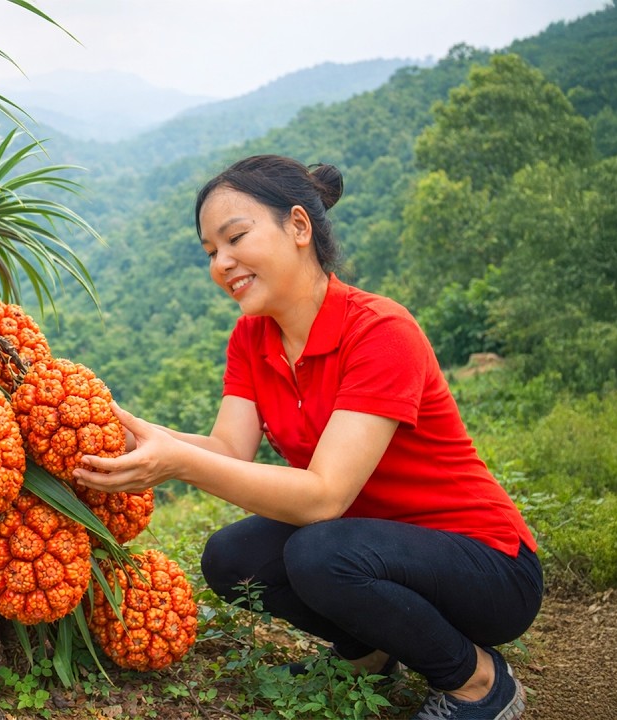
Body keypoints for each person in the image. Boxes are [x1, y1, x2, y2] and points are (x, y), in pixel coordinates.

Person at [73, 155, 543, 720]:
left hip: (485, 566)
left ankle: (478, 682)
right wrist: (136, 433)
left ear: (299, 226)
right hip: (370, 544)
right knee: (231, 558)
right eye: (210, 252)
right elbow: (227, 450)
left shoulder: (380, 331)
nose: (222, 263)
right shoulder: (252, 338)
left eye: (235, 238)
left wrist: (177, 463)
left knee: (317, 552)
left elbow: (324, 498)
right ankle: (368, 653)